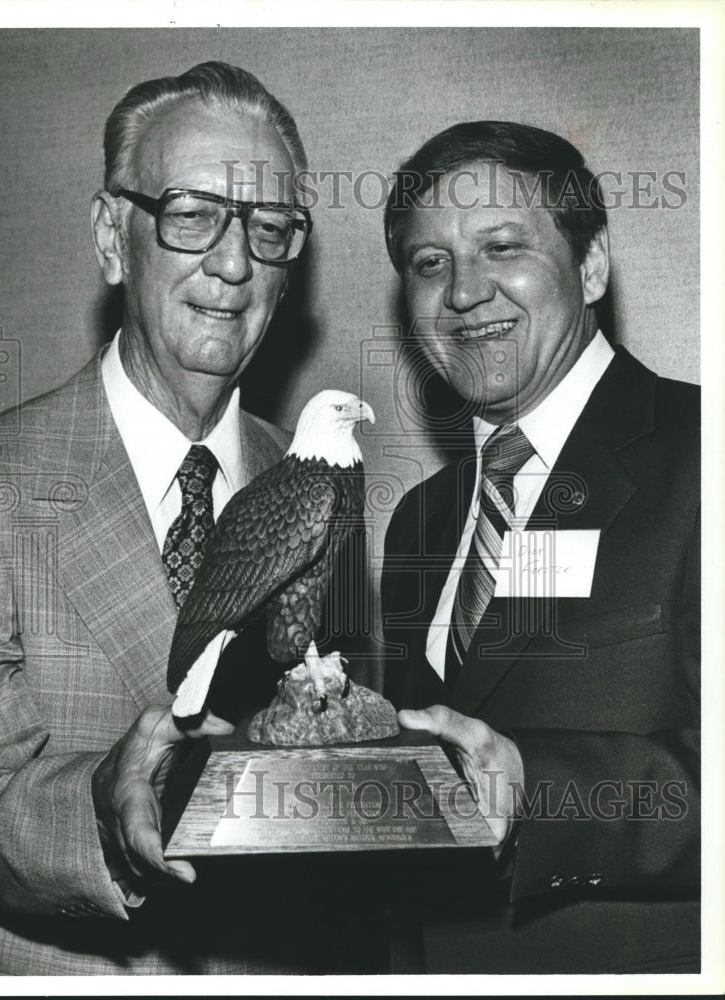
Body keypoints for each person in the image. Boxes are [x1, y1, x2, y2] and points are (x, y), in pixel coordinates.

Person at [0, 61, 378, 976]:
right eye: (191, 214)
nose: (233, 263)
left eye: (269, 229)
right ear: (115, 238)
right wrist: (105, 809)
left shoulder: (330, 488)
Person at [380, 121, 700, 974]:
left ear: (590, 265)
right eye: (430, 263)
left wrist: (535, 787)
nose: (464, 293)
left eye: (502, 247)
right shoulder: (418, 521)